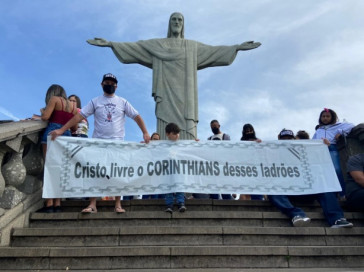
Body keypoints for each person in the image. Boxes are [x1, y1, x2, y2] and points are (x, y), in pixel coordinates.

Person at [86, 12, 261, 140]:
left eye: (180, 20)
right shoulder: (158, 45)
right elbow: (137, 48)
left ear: (183, 25)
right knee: (165, 129)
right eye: (174, 20)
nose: (177, 22)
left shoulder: (191, 47)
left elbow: (214, 51)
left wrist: (236, 48)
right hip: (166, 97)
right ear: (169, 24)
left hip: (186, 101)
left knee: (187, 132)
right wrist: (110, 44)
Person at [50, 73, 150, 213]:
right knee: (95, 173)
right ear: (102, 84)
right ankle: (92, 204)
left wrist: (145, 132)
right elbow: (79, 116)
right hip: (98, 142)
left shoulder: (123, 102)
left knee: (117, 173)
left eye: (112, 83)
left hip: (117, 143)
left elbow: (136, 116)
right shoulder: (95, 102)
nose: (110, 84)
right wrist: (61, 130)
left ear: (116, 86)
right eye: (107, 82)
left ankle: (118, 204)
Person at [267, 129, 353, 228]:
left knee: (325, 187)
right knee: (273, 191)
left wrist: (325, 148)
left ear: (294, 139)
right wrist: (257, 146)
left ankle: (336, 219)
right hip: (288, 191)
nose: (287, 141)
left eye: (289, 138)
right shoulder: (273, 154)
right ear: (279, 140)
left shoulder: (305, 151)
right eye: (284, 139)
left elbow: (321, 161)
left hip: (308, 189)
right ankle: (296, 214)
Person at [40, 84, 78, 212]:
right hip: (66, 136)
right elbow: (74, 128)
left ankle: (49, 202)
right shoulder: (73, 106)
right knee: (61, 170)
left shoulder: (54, 100)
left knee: (49, 168)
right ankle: (58, 203)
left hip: (52, 133)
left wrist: (42, 112)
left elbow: (45, 117)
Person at [312, 108, 355, 197]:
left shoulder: (338, 126)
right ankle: (329, 194)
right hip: (320, 151)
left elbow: (351, 125)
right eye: (323, 116)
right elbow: (313, 140)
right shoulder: (319, 130)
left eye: (328, 116)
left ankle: (343, 193)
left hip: (332, 148)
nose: (325, 118)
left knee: (337, 170)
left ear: (332, 117)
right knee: (322, 172)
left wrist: (340, 132)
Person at [205, 120, 233, 200]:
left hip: (223, 166)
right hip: (212, 167)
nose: (213, 128)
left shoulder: (225, 136)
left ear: (219, 126)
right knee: (213, 189)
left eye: (215, 126)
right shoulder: (209, 139)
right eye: (212, 127)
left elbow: (229, 151)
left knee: (225, 189)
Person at [164, 123, 186, 213]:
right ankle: (169, 204)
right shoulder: (162, 146)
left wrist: (195, 143)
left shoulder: (182, 145)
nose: (177, 136)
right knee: (168, 186)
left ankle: (181, 203)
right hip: (168, 170)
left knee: (179, 185)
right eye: (174, 133)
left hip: (179, 169)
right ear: (168, 134)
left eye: (178, 133)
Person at [240, 123, 264, 200]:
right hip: (245, 169)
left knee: (257, 192)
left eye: (250, 130)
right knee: (246, 191)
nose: (249, 132)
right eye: (247, 131)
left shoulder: (258, 142)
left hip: (256, 170)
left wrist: (261, 145)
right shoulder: (240, 144)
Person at [142, 132, 164, 200]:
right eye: (154, 139)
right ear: (151, 140)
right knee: (145, 198)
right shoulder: (145, 148)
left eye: (157, 140)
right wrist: (141, 146)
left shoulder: (161, 151)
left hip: (157, 178)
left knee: (155, 198)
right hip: (147, 177)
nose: (155, 141)